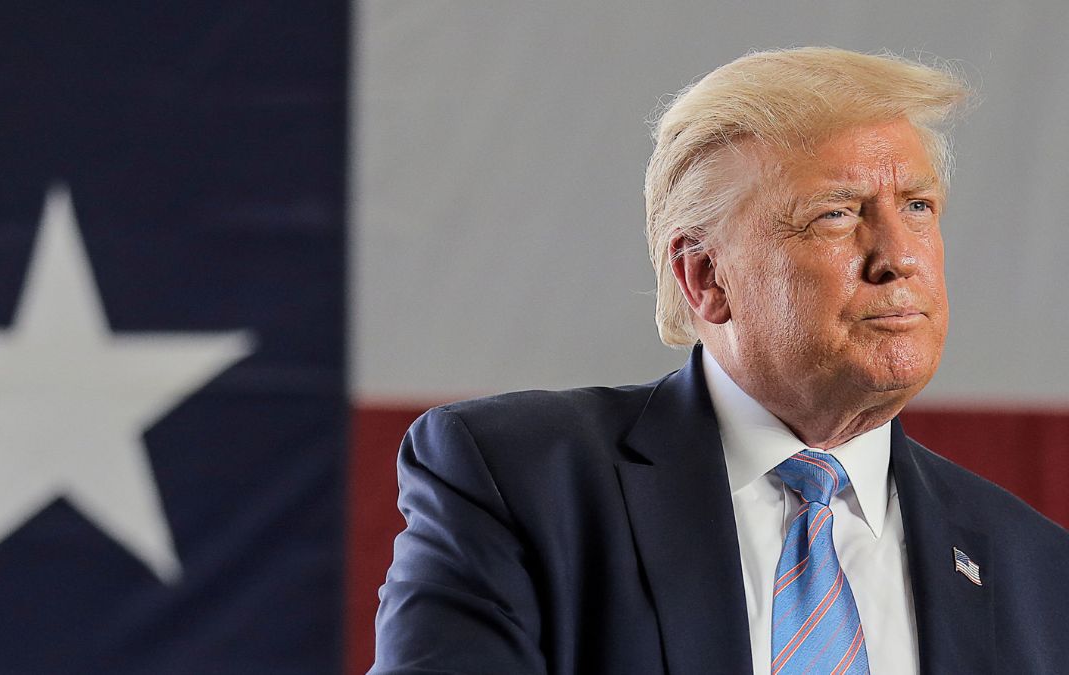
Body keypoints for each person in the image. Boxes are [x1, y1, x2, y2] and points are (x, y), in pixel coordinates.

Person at [371, 47, 1069, 674]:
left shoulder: (1037, 569)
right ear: (706, 276)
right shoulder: (519, 481)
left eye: (917, 206)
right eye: (835, 213)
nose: (899, 257)